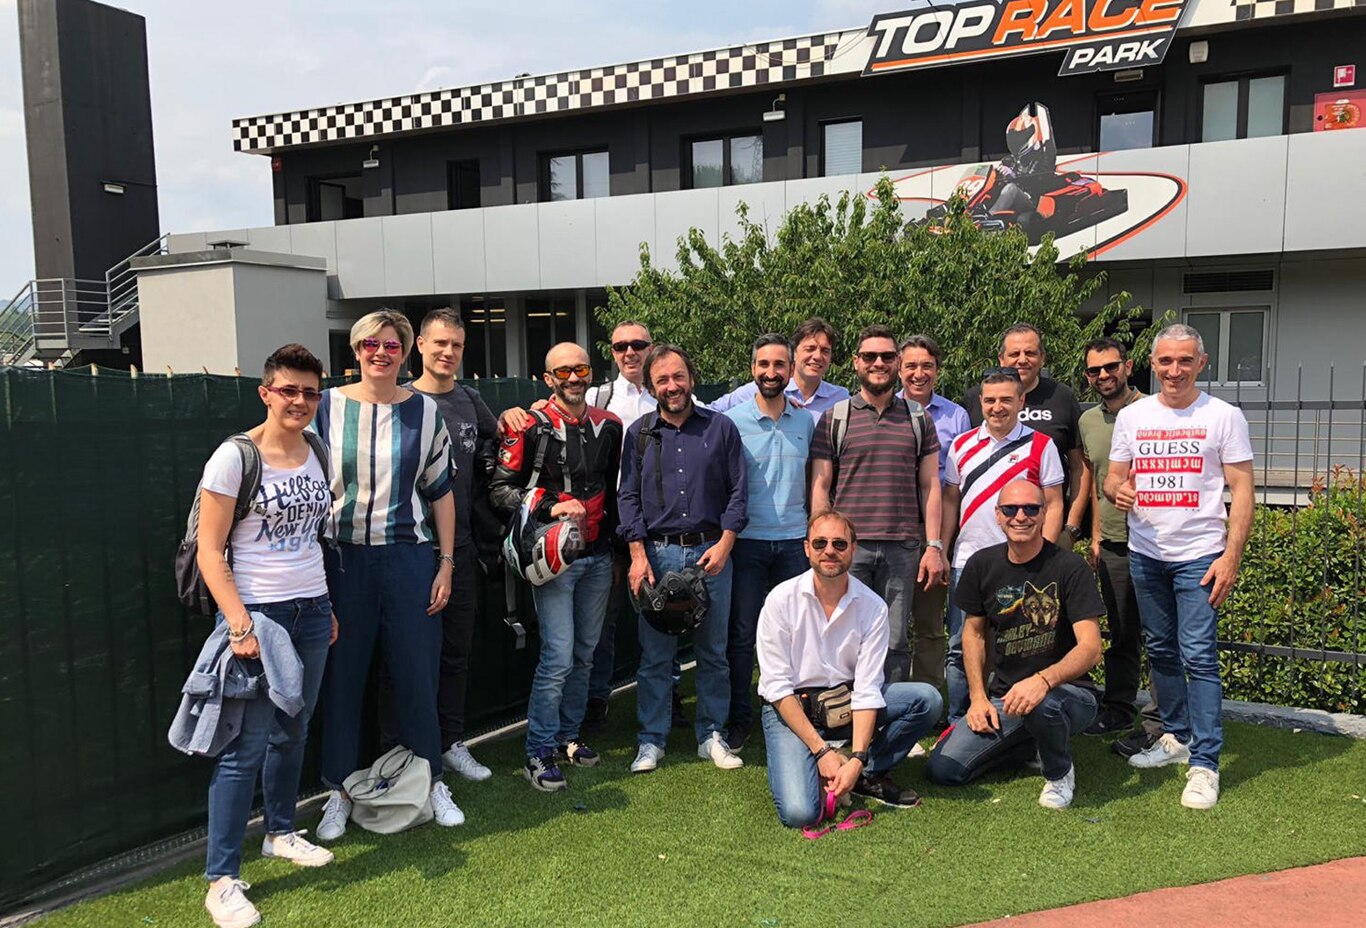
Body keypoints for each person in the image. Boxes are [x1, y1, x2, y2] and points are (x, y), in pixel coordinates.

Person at [193, 344, 337, 928]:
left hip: (311, 606)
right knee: (242, 749)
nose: (299, 401)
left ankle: (280, 831)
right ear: (266, 392)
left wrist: (326, 607)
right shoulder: (234, 457)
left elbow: (312, 539)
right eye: (289, 390)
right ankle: (221, 879)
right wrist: (240, 623)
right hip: (258, 615)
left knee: (293, 730)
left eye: (309, 392)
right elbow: (209, 549)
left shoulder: (316, 450)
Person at [311, 309, 464, 841]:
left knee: (416, 674)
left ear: (406, 352)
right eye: (370, 344)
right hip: (343, 561)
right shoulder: (325, 408)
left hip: (409, 558)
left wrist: (446, 562)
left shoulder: (425, 412)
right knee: (343, 677)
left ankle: (433, 780)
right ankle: (338, 790)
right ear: (355, 351)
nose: (381, 352)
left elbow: (441, 491)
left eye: (391, 345)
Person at [1105, 323, 1254, 810]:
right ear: (1151, 364)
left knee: (1199, 656)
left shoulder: (1224, 416)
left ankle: (1206, 763)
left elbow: (1243, 490)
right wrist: (1117, 492)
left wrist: (1231, 556)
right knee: (1162, 651)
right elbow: (1114, 479)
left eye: (1185, 361)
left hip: (1200, 557)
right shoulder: (1133, 416)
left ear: (1201, 364)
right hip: (1147, 553)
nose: (1174, 370)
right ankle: (1177, 737)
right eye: (1166, 361)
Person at [490, 342, 623, 791]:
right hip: (552, 560)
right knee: (558, 656)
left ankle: (569, 736)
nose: (573, 378)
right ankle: (538, 751)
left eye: (581, 368)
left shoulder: (610, 426)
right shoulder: (527, 425)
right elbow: (500, 490)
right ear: (547, 378)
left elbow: (615, 488)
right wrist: (551, 506)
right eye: (562, 371)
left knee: (585, 654)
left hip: (599, 557)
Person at [757, 510, 944, 825]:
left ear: (853, 549)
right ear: (806, 548)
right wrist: (821, 752)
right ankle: (825, 760)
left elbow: (868, 690)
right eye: (820, 543)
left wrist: (857, 759)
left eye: (839, 544)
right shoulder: (780, 600)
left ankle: (865, 774)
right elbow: (776, 688)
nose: (829, 550)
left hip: (845, 703)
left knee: (927, 699)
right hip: (791, 710)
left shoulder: (872, 607)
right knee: (800, 814)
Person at [926, 480, 1104, 809]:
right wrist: (978, 698)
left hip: (1070, 694)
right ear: (998, 515)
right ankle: (1029, 743)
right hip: (1006, 698)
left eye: (1030, 509)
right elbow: (973, 634)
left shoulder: (1069, 567)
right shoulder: (982, 564)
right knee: (944, 770)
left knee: (1041, 704)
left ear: (1044, 513)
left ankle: (1059, 772)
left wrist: (1043, 681)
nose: (1020, 516)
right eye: (1010, 509)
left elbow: (1091, 648)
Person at [618, 344, 748, 773]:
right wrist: (638, 555)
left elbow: (737, 493)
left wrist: (726, 544)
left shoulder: (722, 428)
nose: (671, 386)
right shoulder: (638, 433)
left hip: (712, 553)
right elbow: (628, 498)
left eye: (678, 377)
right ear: (651, 386)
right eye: (662, 380)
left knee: (713, 652)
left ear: (691, 378)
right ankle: (651, 740)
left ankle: (711, 734)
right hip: (657, 555)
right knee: (655, 655)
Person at [381, 307, 498, 782]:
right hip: (408, 552)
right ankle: (402, 753)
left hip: (463, 551)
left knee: (455, 654)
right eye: (439, 344)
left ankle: (450, 742)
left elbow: (504, 444)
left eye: (457, 345)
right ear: (420, 348)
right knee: (404, 660)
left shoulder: (471, 402)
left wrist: (517, 413)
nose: (448, 352)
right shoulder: (398, 402)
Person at [809, 325, 945, 685]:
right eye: (869, 356)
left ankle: (893, 718)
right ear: (856, 363)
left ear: (897, 363)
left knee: (896, 639)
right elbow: (821, 485)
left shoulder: (918, 419)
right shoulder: (835, 418)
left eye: (887, 356)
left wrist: (934, 545)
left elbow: (931, 485)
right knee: (843, 636)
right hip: (848, 548)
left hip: (903, 547)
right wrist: (821, 542)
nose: (878, 363)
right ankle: (846, 713)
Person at [942, 368, 1065, 723]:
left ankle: (1019, 721)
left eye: (1006, 400)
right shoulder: (961, 445)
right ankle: (959, 720)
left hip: (1021, 562)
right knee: (960, 645)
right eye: (990, 400)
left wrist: (1047, 554)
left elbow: (1054, 502)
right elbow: (951, 501)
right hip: (970, 561)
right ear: (981, 402)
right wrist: (944, 549)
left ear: (1021, 401)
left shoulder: (1042, 445)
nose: (998, 407)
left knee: (1024, 646)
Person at [722, 333, 815, 751]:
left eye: (780, 365)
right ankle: (740, 718)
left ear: (791, 370)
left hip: (796, 543)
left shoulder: (806, 421)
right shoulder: (732, 421)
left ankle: (797, 717)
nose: (771, 373)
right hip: (747, 544)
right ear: (752, 369)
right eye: (764, 365)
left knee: (797, 636)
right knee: (742, 635)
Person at [1076, 337, 1163, 748]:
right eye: (1094, 370)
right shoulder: (1087, 421)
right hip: (1112, 543)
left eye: (1111, 367)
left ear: (1128, 366)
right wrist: (1094, 535)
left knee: (1162, 635)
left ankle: (1161, 719)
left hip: (1159, 542)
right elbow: (1093, 480)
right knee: (1122, 633)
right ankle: (1119, 709)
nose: (1104, 376)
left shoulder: (1155, 411)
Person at [962, 323, 1088, 546]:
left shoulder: (1062, 396)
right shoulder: (976, 397)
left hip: (1041, 529)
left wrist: (1071, 528)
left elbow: (1080, 466)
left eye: (1030, 353)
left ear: (1042, 358)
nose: (1022, 359)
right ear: (1001, 358)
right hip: (982, 539)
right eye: (1014, 353)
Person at [900, 334, 972, 689]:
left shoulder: (956, 416)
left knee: (930, 622)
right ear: (899, 369)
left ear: (937, 371)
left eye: (926, 366)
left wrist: (941, 543)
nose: (918, 373)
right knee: (887, 621)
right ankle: (888, 696)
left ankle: (927, 695)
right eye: (911, 365)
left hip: (937, 533)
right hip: (893, 528)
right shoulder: (883, 409)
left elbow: (958, 482)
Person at [708, 317, 850, 423]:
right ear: (794, 353)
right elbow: (709, 412)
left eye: (825, 351)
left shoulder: (840, 399)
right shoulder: (758, 390)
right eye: (810, 349)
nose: (818, 356)